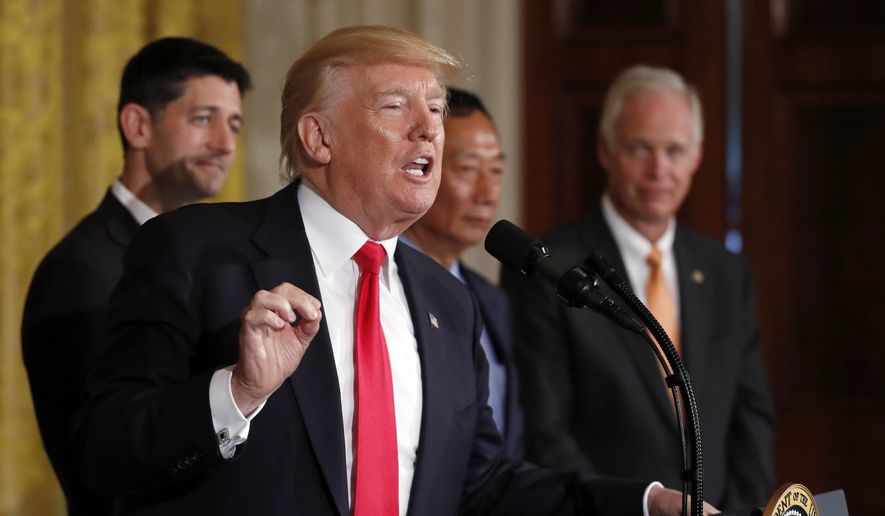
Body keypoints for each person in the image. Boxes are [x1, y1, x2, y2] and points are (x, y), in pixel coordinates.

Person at [73, 27, 710, 515]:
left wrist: (642, 503)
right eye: (396, 107)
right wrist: (238, 392)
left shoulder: (448, 302)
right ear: (319, 138)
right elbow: (102, 451)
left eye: (435, 110)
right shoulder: (197, 252)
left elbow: (482, 485)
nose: (429, 131)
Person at [501, 64, 775, 510]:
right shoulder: (549, 268)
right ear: (605, 151)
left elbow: (752, 419)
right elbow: (546, 433)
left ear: (697, 156)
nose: (658, 169)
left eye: (675, 150)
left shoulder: (726, 272)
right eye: (640, 148)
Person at [21, 37, 251, 516]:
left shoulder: (213, 260)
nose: (225, 144)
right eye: (203, 119)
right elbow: (101, 457)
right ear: (138, 125)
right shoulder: (79, 269)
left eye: (234, 124)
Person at [402, 88, 522, 457]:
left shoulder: (492, 300)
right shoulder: (381, 284)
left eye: (496, 171)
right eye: (467, 169)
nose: (487, 193)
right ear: (419, 167)